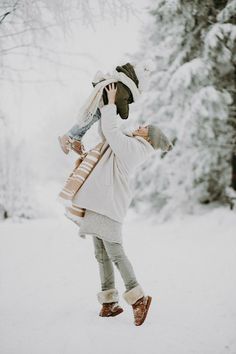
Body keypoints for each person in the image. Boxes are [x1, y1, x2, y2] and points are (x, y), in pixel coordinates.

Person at [71, 83, 173, 326]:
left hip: (109, 206)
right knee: (101, 255)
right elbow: (108, 134)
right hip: (100, 204)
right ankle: (108, 303)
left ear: (148, 137)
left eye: (144, 127)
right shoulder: (129, 142)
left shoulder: (137, 150)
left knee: (115, 253)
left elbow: (112, 131)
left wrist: (111, 103)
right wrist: (107, 106)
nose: (139, 126)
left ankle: (138, 298)